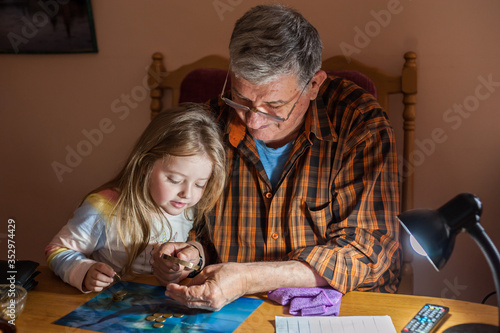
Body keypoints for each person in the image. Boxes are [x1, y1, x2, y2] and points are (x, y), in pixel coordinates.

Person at [152, 4, 401, 310]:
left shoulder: (358, 123)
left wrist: (248, 278)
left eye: (274, 105)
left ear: (313, 85)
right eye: (241, 98)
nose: (253, 121)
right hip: (227, 306)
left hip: (338, 310)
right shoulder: (210, 124)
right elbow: (197, 229)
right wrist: (189, 255)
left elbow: (367, 251)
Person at [45, 103, 226, 292]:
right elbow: (57, 250)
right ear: (145, 165)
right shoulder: (104, 207)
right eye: (174, 179)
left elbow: (195, 252)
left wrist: (179, 268)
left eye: (199, 184)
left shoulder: (188, 208)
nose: (188, 194)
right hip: (105, 311)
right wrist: (84, 271)